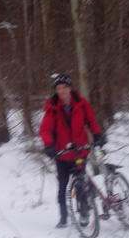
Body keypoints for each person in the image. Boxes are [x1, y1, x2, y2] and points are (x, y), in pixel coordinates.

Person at [39, 73, 106, 228]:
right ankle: (63, 217)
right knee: (62, 186)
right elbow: (45, 129)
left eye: (64, 87)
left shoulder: (81, 104)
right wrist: (49, 145)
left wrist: (97, 135)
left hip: (79, 151)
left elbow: (91, 121)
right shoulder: (52, 108)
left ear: (70, 88)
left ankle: (84, 212)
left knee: (80, 183)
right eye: (58, 88)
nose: (61, 91)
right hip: (62, 154)